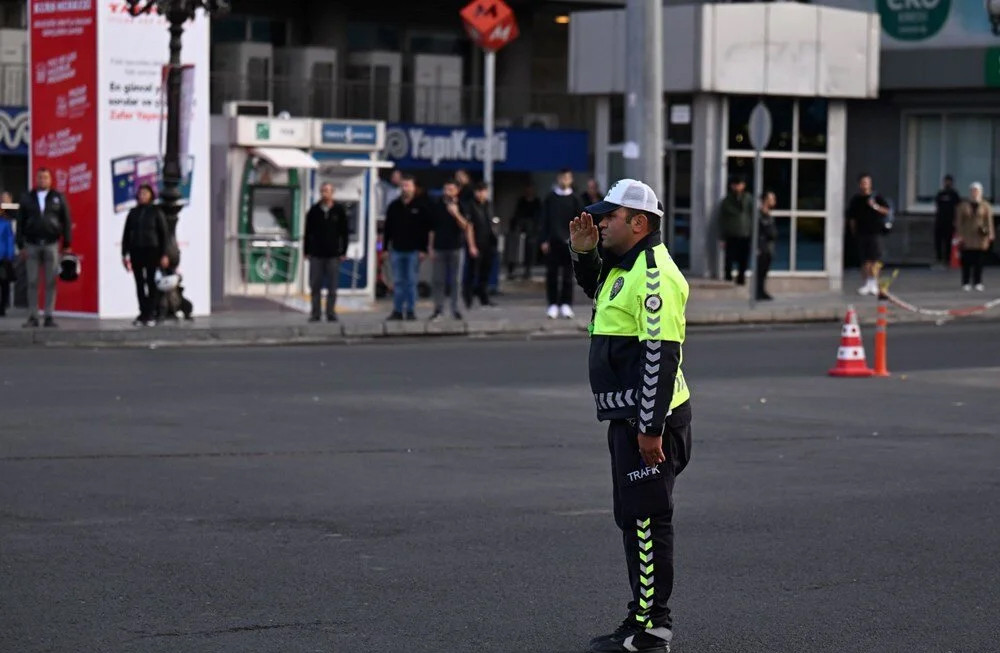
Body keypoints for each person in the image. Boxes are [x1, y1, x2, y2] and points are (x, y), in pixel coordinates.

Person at [569, 178, 692, 653]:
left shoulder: (658, 276)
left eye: (609, 216)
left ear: (638, 223)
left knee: (647, 520)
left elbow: (660, 359)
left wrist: (649, 428)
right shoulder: (626, 266)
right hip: (631, 418)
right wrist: (584, 254)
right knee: (633, 519)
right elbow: (601, 296)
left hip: (650, 423)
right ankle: (640, 618)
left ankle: (652, 630)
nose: (600, 222)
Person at [16, 168, 72, 328]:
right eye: (40, 177)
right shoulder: (27, 198)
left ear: (50, 179)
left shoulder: (58, 197)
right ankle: (33, 316)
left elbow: (66, 221)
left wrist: (67, 243)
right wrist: (20, 244)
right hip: (32, 244)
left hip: (51, 244)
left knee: (50, 281)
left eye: (46, 177)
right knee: (32, 281)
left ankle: (48, 315)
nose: (43, 180)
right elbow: (20, 222)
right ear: (36, 179)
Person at [121, 184, 169, 326]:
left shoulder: (156, 212)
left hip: (152, 250)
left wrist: (164, 254)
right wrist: (124, 254)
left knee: (151, 282)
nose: (142, 196)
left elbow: (164, 234)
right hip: (136, 250)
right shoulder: (133, 213)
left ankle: (150, 313)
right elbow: (126, 235)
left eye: (145, 193)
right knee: (139, 283)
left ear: (150, 195)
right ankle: (142, 313)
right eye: (140, 193)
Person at [383, 174, 429, 320]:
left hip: (413, 250)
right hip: (397, 249)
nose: (405, 188)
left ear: (414, 188)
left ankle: (410, 310)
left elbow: (425, 230)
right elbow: (387, 229)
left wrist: (424, 249)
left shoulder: (420, 207)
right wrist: (384, 248)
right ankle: (397, 310)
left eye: (408, 185)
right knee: (398, 282)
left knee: (410, 281)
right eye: (403, 186)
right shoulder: (394, 206)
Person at [540, 169, 583, 319]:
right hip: (553, 241)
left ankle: (566, 304)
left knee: (567, 275)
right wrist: (543, 239)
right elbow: (544, 220)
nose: (564, 180)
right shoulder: (550, 198)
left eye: (567, 177)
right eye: (562, 177)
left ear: (571, 180)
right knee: (551, 274)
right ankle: (552, 304)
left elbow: (580, 222)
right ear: (558, 178)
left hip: (570, 242)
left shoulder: (575, 199)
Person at [304, 182, 349, 322]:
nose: (325, 193)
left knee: (332, 286)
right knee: (315, 285)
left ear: (332, 193)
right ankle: (315, 313)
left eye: (327, 191)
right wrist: (307, 251)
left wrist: (343, 251)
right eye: (323, 191)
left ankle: (331, 312)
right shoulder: (314, 210)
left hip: (333, 254)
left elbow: (344, 232)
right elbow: (308, 232)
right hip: (316, 254)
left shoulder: (339, 210)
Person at [428, 180, 473, 321]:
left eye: (451, 189)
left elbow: (466, 226)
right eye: (445, 189)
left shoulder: (463, 205)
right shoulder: (437, 205)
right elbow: (432, 229)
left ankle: (456, 309)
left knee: (456, 281)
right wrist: (430, 247)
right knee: (438, 280)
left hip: (456, 247)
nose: (448, 192)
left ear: (457, 191)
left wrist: (456, 214)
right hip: (439, 247)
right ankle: (438, 309)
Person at [845, 173, 890, 296]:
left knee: (875, 259)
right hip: (861, 233)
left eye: (867, 182)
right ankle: (866, 283)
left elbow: (886, 210)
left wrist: (875, 206)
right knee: (865, 260)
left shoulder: (877, 197)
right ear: (860, 184)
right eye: (863, 183)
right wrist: (853, 232)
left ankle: (874, 282)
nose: (865, 185)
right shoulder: (856, 200)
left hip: (875, 232)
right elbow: (851, 218)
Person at [462, 181, 498, 309]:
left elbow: (493, 221)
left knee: (485, 272)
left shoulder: (488, 205)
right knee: (472, 272)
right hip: (476, 242)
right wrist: (471, 245)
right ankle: (468, 298)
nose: (482, 194)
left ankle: (484, 297)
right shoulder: (470, 205)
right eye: (479, 191)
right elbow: (468, 226)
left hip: (489, 242)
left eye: (484, 191)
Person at [955, 181, 995, 291]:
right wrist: (959, 234)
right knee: (967, 260)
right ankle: (966, 282)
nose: (975, 193)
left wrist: (990, 234)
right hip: (967, 236)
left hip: (980, 237)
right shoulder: (963, 205)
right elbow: (959, 221)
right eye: (973, 191)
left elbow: (989, 221)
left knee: (979, 261)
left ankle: (978, 282)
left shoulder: (985, 205)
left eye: (977, 191)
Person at [718, 176, 753, 285]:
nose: (738, 187)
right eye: (736, 184)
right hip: (731, 234)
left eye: (740, 184)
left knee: (743, 257)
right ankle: (728, 277)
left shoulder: (747, 198)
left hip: (745, 233)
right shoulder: (727, 200)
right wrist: (722, 237)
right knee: (730, 257)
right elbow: (722, 219)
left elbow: (752, 214)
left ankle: (741, 277)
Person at [506, 184, 540, 280]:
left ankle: (527, 270)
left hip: (531, 230)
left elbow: (538, 216)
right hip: (520, 229)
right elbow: (517, 214)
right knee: (514, 249)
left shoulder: (536, 202)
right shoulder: (521, 201)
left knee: (529, 249)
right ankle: (511, 269)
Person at [934, 175, 961, 267]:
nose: (947, 183)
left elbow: (958, 208)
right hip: (940, 221)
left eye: (949, 181)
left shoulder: (954, 195)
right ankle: (939, 259)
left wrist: (956, 221)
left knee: (948, 241)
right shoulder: (940, 194)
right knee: (938, 241)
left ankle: (948, 259)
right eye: (946, 181)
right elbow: (937, 206)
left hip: (950, 222)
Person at [756, 191, 777, 301]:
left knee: (764, 271)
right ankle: (758, 292)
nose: (773, 201)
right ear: (765, 200)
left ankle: (762, 291)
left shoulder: (768, 214)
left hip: (768, 247)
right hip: (762, 247)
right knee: (760, 270)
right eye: (771, 198)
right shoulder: (760, 215)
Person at [0, 192, 14, 317]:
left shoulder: (5, 222)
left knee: (4, 283)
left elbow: (9, 239)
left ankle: (2, 307)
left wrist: (9, 257)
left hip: (2, 257)